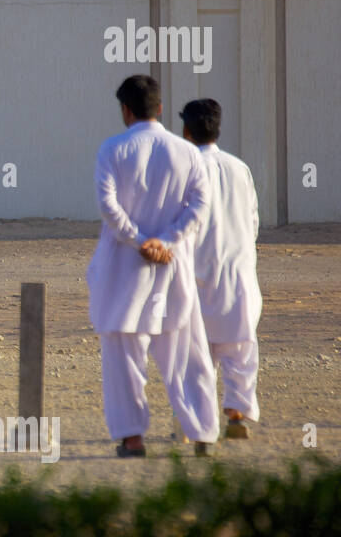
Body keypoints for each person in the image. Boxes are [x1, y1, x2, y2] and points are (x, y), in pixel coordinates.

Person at [87, 75, 220, 457]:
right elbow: (199, 205)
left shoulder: (112, 150)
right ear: (160, 108)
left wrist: (137, 240)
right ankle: (203, 433)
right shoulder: (187, 152)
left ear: (125, 110)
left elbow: (107, 205)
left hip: (123, 272)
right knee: (187, 356)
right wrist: (168, 241)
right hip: (172, 268)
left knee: (123, 358)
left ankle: (132, 438)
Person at [180, 99, 262, 439]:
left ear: (186, 130)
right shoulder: (239, 168)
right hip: (239, 270)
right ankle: (237, 414)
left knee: (194, 352)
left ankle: (194, 422)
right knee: (240, 345)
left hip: (196, 271)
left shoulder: (184, 168)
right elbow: (253, 220)